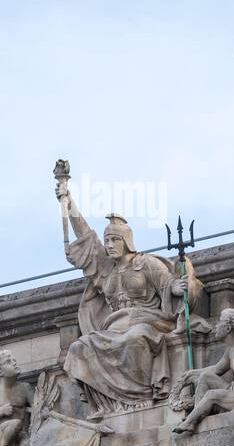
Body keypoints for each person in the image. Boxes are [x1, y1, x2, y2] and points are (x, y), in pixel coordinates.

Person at [55, 175, 202, 415]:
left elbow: (167, 284)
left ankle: (139, 398)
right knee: (79, 348)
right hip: (113, 328)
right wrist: (67, 200)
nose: (109, 245)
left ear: (126, 241)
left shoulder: (145, 263)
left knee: (136, 339)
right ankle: (106, 404)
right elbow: (85, 235)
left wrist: (178, 288)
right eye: (107, 241)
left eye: (114, 240)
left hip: (148, 321)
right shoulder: (106, 269)